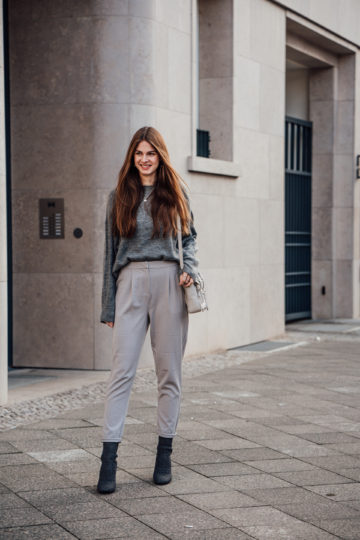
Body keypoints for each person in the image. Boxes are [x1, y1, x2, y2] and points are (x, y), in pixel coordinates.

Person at [97, 126, 199, 494]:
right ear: (132, 157)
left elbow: (189, 239)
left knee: (168, 373)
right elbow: (109, 253)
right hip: (129, 284)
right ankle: (108, 461)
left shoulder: (176, 193)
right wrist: (108, 304)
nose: (144, 159)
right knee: (121, 371)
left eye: (151, 153)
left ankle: (164, 455)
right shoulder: (118, 197)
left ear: (160, 156)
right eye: (139, 153)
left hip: (170, 281)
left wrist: (190, 270)